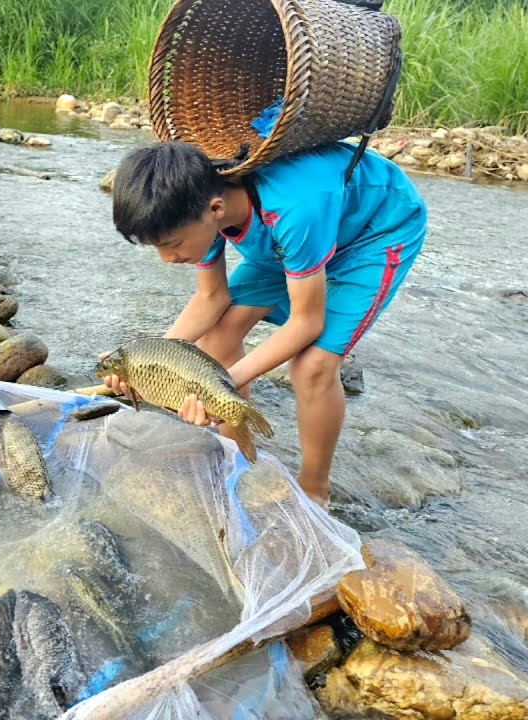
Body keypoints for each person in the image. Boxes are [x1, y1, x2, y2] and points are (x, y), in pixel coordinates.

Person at [101, 140, 427, 506]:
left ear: (215, 209)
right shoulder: (194, 201)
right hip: (286, 244)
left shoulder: (292, 209)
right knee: (218, 333)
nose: (166, 258)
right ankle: (230, 454)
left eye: (172, 245)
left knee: (312, 366)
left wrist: (218, 389)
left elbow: (307, 323)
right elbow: (212, 300)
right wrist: (140, 362)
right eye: (156, 247)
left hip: (373, 230)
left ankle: (315, 488)